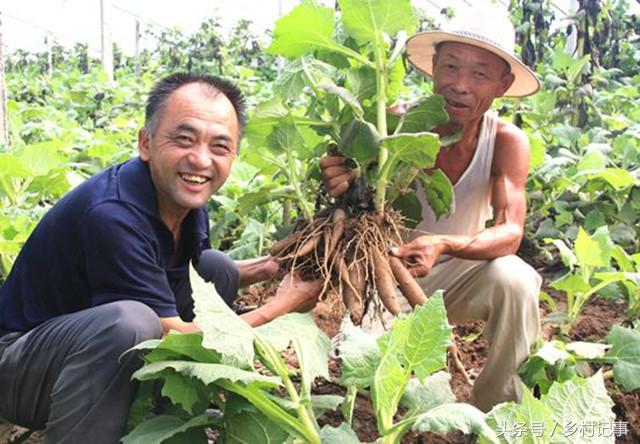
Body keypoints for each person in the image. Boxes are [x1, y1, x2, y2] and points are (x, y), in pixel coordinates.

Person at [0, 72, 321, 443]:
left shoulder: (181, 198)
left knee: (215, 269)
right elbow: (178, 335)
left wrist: (269, 267)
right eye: (184, 140)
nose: (200, 160)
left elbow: (168, 272)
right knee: (130, 323)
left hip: (75, 352)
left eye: (219, 147)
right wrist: (280, 307)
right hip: (20, 370)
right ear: (146, 143)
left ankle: (162, 415)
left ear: (232, 155)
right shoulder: (113, 214)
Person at [321, 8, 542, 412]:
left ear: (504, 83)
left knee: (517, 279)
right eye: (451, 66)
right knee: (366, 369)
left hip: (458, 271)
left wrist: (443, 243)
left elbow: (511, 232)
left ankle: (500, 413)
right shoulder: (388, 125)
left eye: (479, 73)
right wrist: (340, 179)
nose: (459, 85)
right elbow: (348, 193)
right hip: (385, 274)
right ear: (433, 66)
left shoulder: (507, 142)